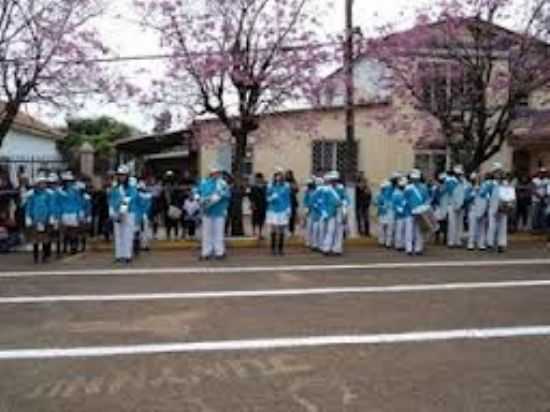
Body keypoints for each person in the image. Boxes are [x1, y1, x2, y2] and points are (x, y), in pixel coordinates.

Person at [196, 165, 231, 260]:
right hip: (207, 211)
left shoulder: (222, 184)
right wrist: (198, 198)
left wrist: (220, 195)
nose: (217, 175)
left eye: (218, 173)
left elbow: (228, 195)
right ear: (211, 174)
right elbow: (197, 191)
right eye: (215, 173)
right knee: (206, 233)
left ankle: (219, 252)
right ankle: (206, 253)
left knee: (218, 233)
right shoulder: (204, 183)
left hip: (219, 211)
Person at [109, 165, 139, 263]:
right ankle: (119, 255)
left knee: (127, 234)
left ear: (127, 176)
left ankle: (127, 256)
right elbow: (111, 199)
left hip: (129, 212)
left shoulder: (132, 187)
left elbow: (130, 198)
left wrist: (122, 211)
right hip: (117, 212)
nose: (121, 177)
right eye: (120, 175)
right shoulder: (114, 187)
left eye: (123, 175)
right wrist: (112, 211)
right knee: (118, 234)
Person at [485, 163, 515, 253]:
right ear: (493, 173)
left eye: (499, 172)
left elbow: (510, 194)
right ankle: (490, 244)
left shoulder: (506, 183)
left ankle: (501, 244)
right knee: (492, 226)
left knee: (502, 226)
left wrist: (509, 203)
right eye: (496, 172)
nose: (498, 174)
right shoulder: (490, 183)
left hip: (504, 206)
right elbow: (486, 195)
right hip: (493, 207)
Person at [25, 174, 53, 263]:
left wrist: (52, 216)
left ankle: (45, 256)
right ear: (37, 184)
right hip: (35, 219)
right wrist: (28, 217)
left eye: (44, 183)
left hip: (45, 219)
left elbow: (51, 206)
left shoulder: (48, 194)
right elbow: (29, 206)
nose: (43, 185)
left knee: (46, 238)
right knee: (35, 239)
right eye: (41, 183)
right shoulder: (32, 195)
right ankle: (35, 257)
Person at [321, 171, 349, 256]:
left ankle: (337, 249)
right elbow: (323, 202)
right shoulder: (326, 190)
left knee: (339, 230)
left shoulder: (341, 188)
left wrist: (344, 205)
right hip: (330, 211)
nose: (334, 181)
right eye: (332, 179)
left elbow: (345, 198)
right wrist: (324, 213)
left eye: (335, 180)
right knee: (330, 230)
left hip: (339, 210)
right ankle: (326, 248)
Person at [266, 168, 292, 256]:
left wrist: (289, 208)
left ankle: (280, 249)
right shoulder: (270, 185)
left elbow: (288, 198)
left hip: (283, 210)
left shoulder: (286, 186)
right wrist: (271, 198)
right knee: (273, 229)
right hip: (273, 210)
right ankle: (272, 249)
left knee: (281, 229)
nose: (278, 176)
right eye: (277, 174)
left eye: (280, 174)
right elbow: (267, 197)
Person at [404, 170, 430, 256]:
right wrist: (410, 207)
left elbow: (427, 199)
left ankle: (418, 248)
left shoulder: (424, 187)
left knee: (419, 231)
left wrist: (424, 208)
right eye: (413, 178)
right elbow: (405, 200)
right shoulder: (407, 188)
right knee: (409, 231)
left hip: (420, 212)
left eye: (416, 178)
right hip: (409, 212)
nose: (415, 180)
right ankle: (409, 248)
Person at [59, 171, 83, 255]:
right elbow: (58, 203)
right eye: (66, 181)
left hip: (73, 213)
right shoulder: (60, 192)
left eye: (69, 181)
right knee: (65, 232)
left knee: (74, 231)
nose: (68, 182)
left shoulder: (75, 190)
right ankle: (65, 247)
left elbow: (79, 201)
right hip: (64, 213)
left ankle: (74, 247)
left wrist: (80, 212)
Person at [446, 165, 468, 248]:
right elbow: (452, 192)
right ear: (454, 174)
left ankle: (458, 241)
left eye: (460, 174)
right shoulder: (450, 181)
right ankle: (451, 242)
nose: (459, 175)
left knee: (460, 223)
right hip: (452, 204)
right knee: (452, 223)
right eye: (458, 174)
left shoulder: (463, 180)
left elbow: (466, 190)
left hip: (461, 204)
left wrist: (464, 201)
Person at [467, 173, 488, 251]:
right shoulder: (469, 187)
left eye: (477, 178)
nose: (476, 180)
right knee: (472, 227)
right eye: (474, 179)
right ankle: (471, 243)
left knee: (482, 227)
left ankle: (481, 243)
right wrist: (472, 193)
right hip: (473, 208)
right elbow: (466, 198)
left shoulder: (484, 187)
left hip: (482, 208)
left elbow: (486, 197)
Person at [46, 173, 63, 258]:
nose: (53, 184)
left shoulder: (59, 192)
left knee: (57, 234)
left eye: (54, 183)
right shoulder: (47, 192)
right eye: (51, 183)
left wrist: (59, 215)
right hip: (48, 215)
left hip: (57, 215)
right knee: (48, 234)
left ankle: (58, 252)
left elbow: (61, 204)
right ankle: (47, 253)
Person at [431, 173, 449, 245]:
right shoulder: (435, 188)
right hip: (438, 207)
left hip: (445, 207)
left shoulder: (447, 188)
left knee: (445, 223)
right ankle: (437, 238)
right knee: (437, 223)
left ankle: (445, 238)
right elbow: (434, 198)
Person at [249, 173, 267, 240]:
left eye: (260, 178)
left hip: (263, 205)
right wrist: (252, 204)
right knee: (254, 218)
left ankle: (260, 232)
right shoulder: (253, 187)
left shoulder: (265, 186)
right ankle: (253, 232)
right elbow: (250, 196)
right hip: (255, 205)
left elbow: (266, 195)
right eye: (257, 178)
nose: (258, 179)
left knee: (261, 219)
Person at [391, 177, 408, 251]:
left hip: (406, 214)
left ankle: (404, 245)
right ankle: (398, 245)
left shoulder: (406, 192)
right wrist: (399, 210)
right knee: (399, 230)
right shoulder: (395, 193)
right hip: (399, 215)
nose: (403, 187)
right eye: (402, 186)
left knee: (404, 231)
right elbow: (394, 204)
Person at [355, 172, 372, 237]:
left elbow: (369, 195)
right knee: (359, 218)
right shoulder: (357, 188)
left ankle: (367, 232)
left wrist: (368, 202)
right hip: (359, 204)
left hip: (365, 205)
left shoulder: (367, 188)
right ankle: (360, 231)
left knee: (366, 218)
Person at [285, 170, 299, 236]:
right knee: (285, 217)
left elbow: (297, 190)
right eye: (287, 174)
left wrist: (292, 187)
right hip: (285, 202)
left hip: (292, 201)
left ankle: (291, 230)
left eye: (289, 174)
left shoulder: (294, 181)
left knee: (292, 217)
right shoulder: (284, 182)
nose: (288, 176)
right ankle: (285, 230)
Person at [303, 178, 317, 248]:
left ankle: (314, 243)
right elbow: (305, 201)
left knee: (315, 228)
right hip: (309, 211)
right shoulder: (307, 192)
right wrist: (306, 209)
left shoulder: (317, 191)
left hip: (317, 212)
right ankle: (308, 241)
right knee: (309, 227)